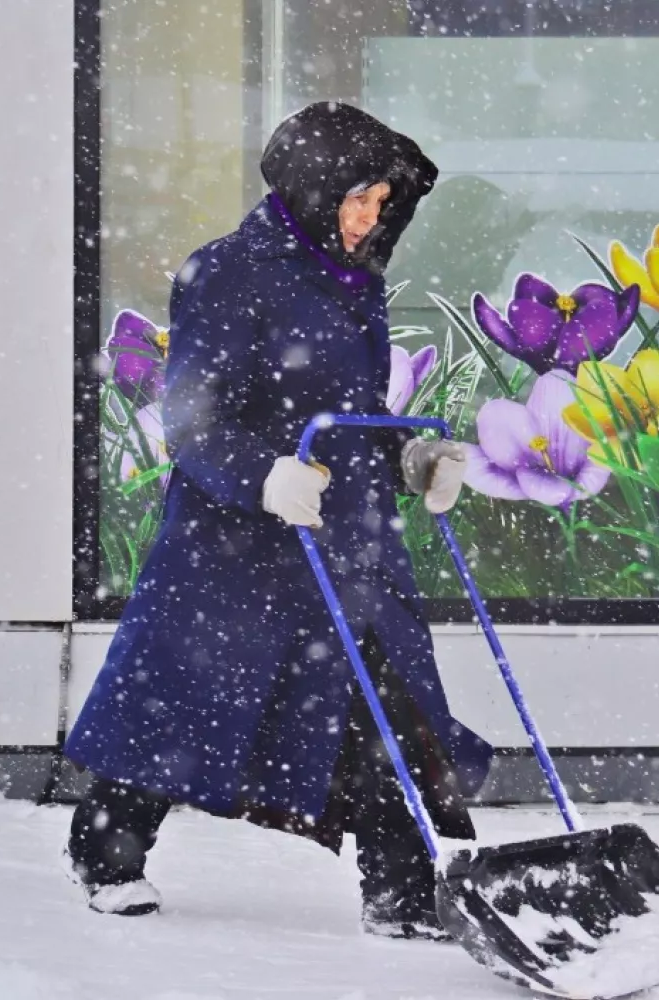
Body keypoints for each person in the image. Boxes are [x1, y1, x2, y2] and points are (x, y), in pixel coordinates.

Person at [62, 102, 489, 941]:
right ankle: (105, 855)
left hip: (344, 543)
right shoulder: (226, 272)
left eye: (382, 204)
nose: (370, 219)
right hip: (236, 547)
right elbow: (191, 417)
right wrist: (262, 475)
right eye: (358, 199)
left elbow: (352, 413)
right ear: (312, 185)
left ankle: (401, 892)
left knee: (380, 707)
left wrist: (409, 459)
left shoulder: (353, 281)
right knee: (181, 711)